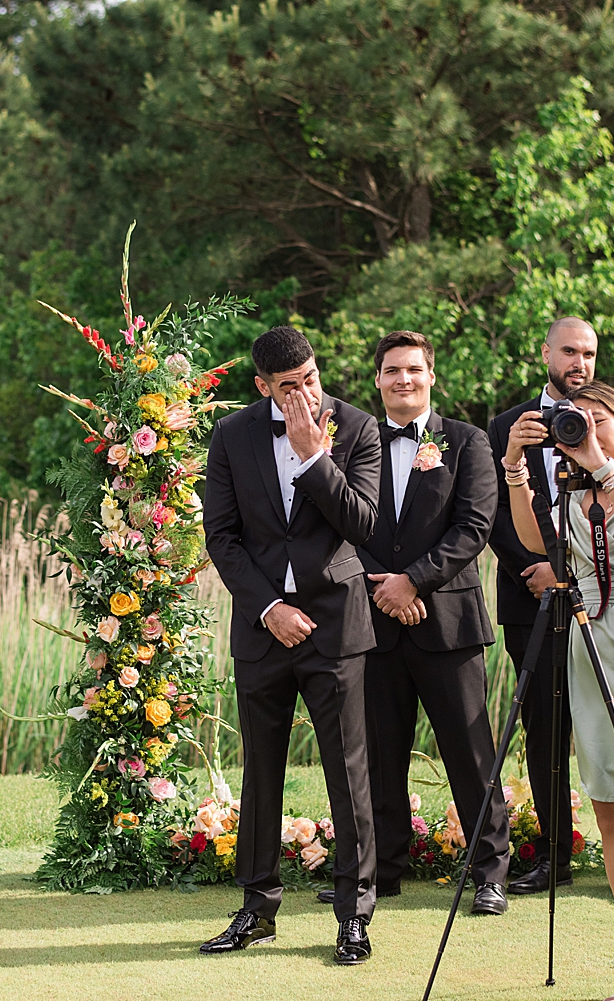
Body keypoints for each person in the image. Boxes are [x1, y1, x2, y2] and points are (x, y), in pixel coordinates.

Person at [201, 325, 382, 965]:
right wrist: (269, 606)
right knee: (261, 773)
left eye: (310, 380)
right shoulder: (231, 436)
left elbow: (363, 524)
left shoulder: (357, 429)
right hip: (262, 629)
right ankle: (256, 909)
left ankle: (353, 915)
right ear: (262, 387)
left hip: (336, 627)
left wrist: (314, 460)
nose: (304, 395)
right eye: (288, 388)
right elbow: (221, 537)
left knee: (348, 771)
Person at [322, 330, 510, 916]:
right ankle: (382, 870)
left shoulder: (468, 442)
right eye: (391, 371)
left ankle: (489, 873)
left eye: (413, 369)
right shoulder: (353, 441)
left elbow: (474, 527)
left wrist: (414, 581)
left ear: (431, 376)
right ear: (376, 380)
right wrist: (385, 586)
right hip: (372, 622)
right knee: (378, 756)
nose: (403, 379)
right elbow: (338, 522)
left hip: (447, 623)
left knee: (471, 753)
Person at [502, 382, 614, 932]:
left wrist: (604, 471)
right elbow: (538, 544)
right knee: (613, 807)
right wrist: (514, 467)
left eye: (599, 420)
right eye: (577, 423)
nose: (588, 432)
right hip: (592, 643)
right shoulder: (573, 492)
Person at [486, 316, 596, 895]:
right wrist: (534, 568)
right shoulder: (506, 425)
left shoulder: (609, 420)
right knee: (545, 729)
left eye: (590, 353)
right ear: (546, 352)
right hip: (529, 597)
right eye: (570, 352)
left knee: (613, 718)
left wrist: (570, 569)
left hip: (602, 600)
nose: (580, 363)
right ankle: (555, 855)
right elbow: (491, 514)